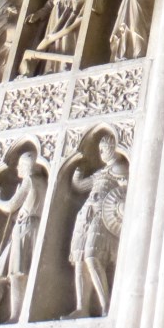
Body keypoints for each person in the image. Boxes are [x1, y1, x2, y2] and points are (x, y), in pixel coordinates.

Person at [0, 151, 47, 325]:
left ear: (28, 166)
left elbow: (10, 206)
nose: (17, 168)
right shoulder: (41, 181)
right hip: (24, 226)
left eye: (20, 165)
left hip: (26, 227)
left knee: (17, 271)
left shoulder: (30, 180)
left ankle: (15, 316)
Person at [66, 134, 128, 317]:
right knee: (79, 259)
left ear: (113, 148)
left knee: (92, 257)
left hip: (104, 214)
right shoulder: (101, 172)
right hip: (86, 213)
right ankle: (81, 307)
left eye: (104, 149)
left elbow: (126, 190)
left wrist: (124, 185)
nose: (101, 153)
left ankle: (105, 305)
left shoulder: (120, 168)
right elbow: (80, 186)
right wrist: (78, 172)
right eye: (100, 150)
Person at [23, 0, 87, 74]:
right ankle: (51, 68)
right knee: (52, 38)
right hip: (57, 10)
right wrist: (39, 14)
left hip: (72, 8)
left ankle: (65, 66)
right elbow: (50, 2)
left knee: (67, 36)